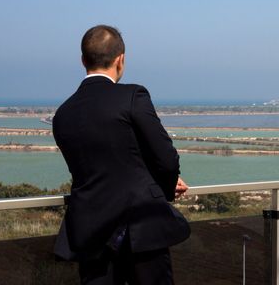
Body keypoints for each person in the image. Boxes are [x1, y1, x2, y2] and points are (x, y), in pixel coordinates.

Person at [53, 25, 191, 284]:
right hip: (141, 227)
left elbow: (102, 164)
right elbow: (165, 157)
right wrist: (165, 187)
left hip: (89, 233)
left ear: (83, 60)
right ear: (121, 59)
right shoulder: (132, 96)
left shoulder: (63, 113)